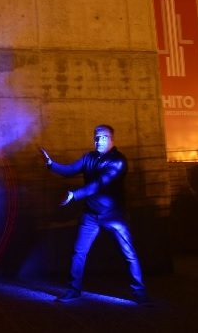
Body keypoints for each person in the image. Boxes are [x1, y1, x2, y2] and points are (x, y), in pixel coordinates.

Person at [40, 124, 150, 304]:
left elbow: (99, 184)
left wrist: (74, 195)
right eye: (96, 137)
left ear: (112, 139)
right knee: (78, 253)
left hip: (113, 216)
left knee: (129, 253)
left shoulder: (118, 161)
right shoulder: (89, 157)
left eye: (104, 137)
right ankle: (73, 290)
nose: (99, 140)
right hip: (90, 215)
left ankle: (140, 293)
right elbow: (69, 170)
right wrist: (52, 165)